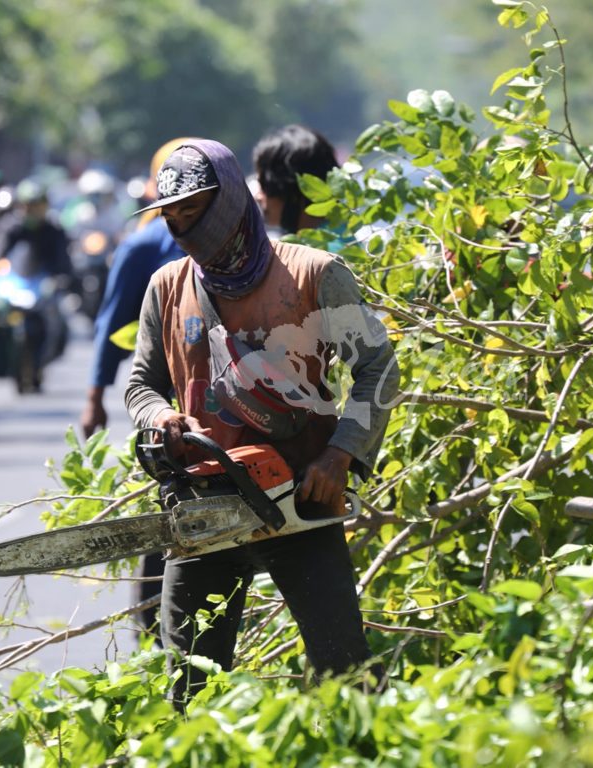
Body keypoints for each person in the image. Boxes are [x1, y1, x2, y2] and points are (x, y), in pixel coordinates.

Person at [124, 139, 398, 704]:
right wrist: (159, 415)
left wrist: (341, 453)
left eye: (192, 211)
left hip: (301, 501)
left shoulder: (314, 274)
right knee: (190, 687)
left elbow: (378, 368)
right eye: (170, 215)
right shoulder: (166, 287)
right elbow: (140, 384)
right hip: (204, 506)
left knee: (346, 676)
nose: (181, 226)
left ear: (227, 200)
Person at [80, 138, 191, 439]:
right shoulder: (142, 246)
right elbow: (113, 320)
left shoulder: (236, 239)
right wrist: (95, 397)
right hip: (163, 402)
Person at [251, 124, 339, 237]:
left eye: (264, 185)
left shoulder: (323, 246)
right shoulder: (344, 235)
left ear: (290, 189)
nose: (257, 196)